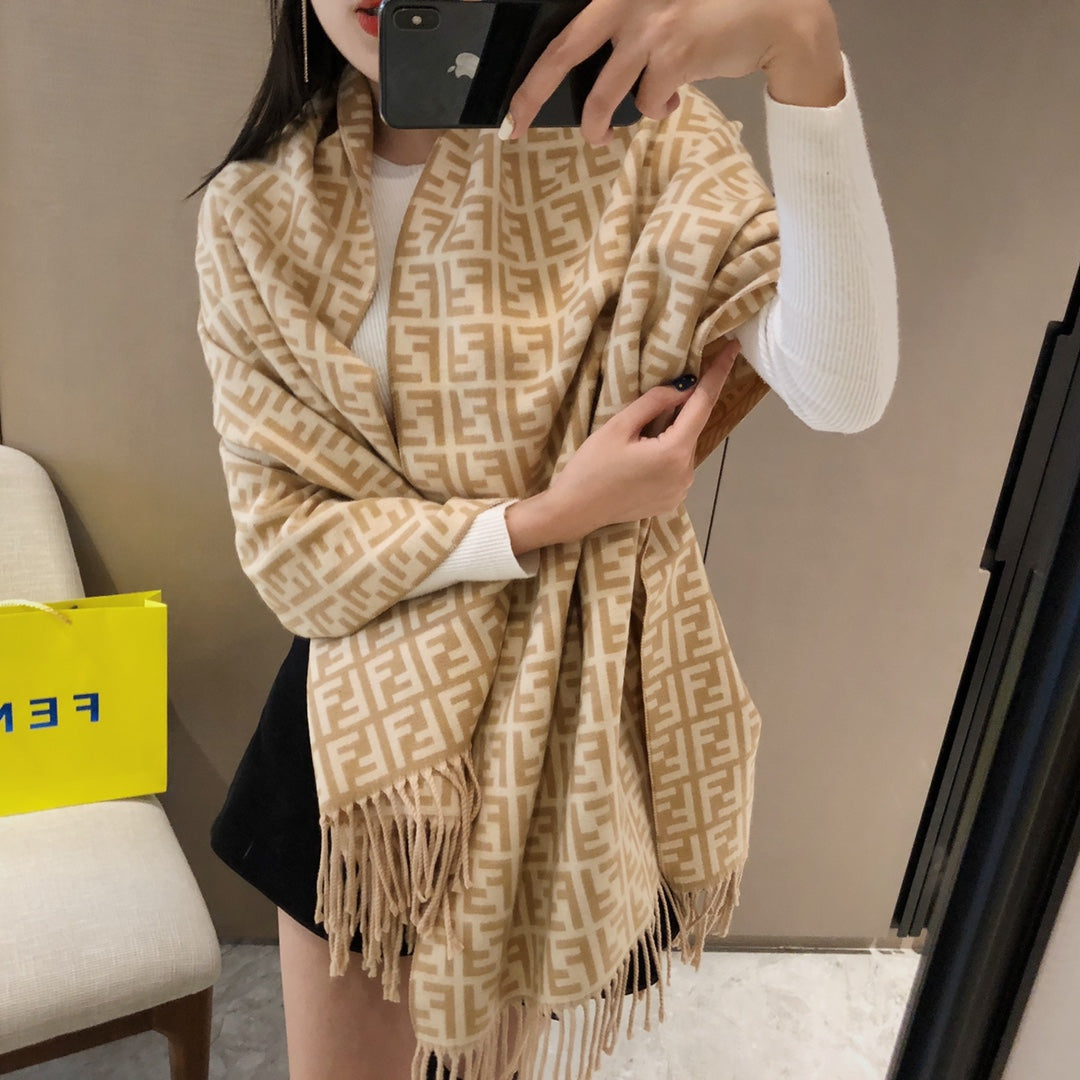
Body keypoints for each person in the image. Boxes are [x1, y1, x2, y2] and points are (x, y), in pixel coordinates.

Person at [195, 1, 897, 1078]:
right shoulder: (257, 212)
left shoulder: (638, 146)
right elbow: (291, 548)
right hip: (366, 736)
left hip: (561, 712)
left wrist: (801, 44)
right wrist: (549, 517)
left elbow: (843, 386)